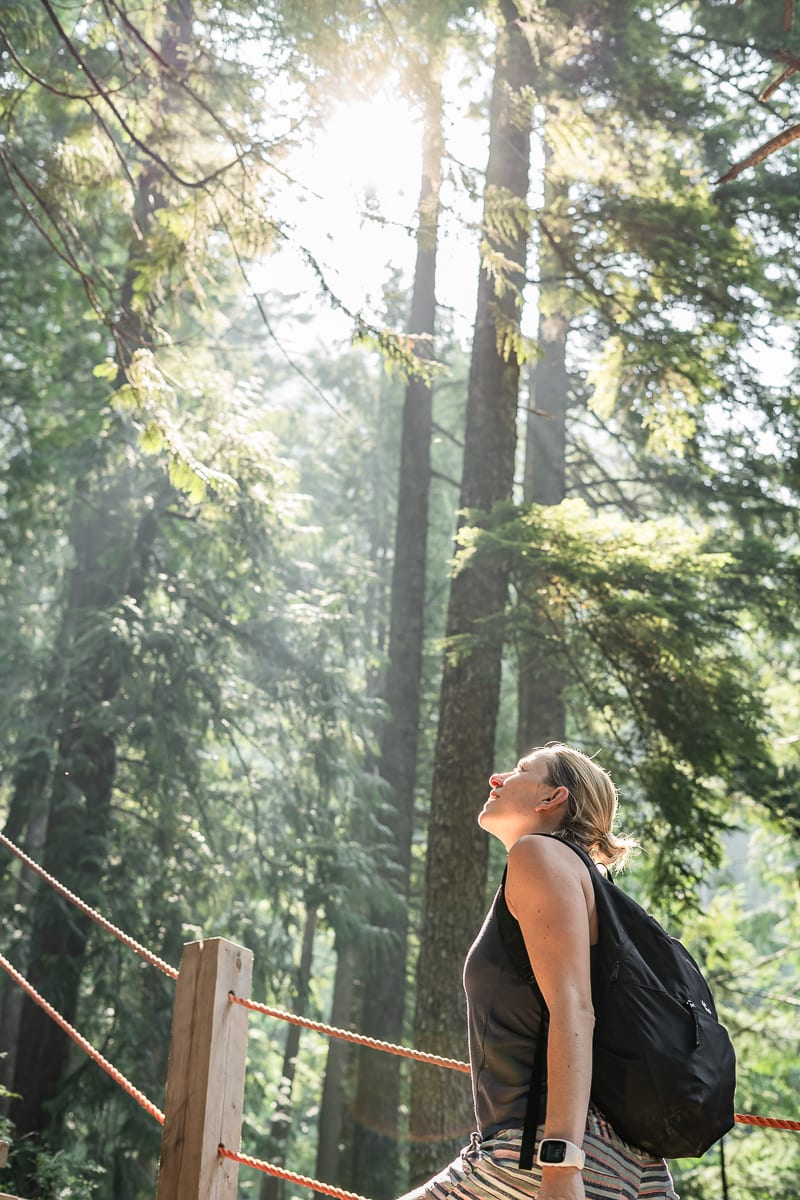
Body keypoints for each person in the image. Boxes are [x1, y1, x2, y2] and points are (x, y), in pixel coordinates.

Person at [402, 741, 678, 1200]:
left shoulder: (538, 856)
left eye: (519, 770)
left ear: (552, 798)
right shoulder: (594, 886)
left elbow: (573, 1008)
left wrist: (561, 1164)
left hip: (537, 1152)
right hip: (633, 1163)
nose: (496, 778)